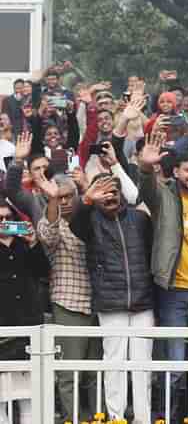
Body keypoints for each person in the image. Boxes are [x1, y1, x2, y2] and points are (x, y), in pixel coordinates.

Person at [138, 135, 188, 421]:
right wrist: (146, 167)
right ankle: (168, 418)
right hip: (173, 291)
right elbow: (146, 187)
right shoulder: (164, 196)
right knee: (174, 361)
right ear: (176, 172)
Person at [69, 174, 154, 424]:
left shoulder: (140, 219)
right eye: (103, 192)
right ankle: (116, 417)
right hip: (110, 301)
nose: (110, 196)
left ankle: (143, 418)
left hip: (142, 302)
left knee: (143, 364)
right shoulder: (89, 220)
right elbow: (74, 223)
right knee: (114, 362)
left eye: (113, 191)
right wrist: (86, 199)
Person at [34, 173, 100, 422]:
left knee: (97, 372)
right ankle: (73, 420)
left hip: (100, 305)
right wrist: (51, 202)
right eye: (58, 197)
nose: (64, 202)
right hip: (68, 304)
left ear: (77, 196)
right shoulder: (48, 223)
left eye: (68, 196)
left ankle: (100, 418)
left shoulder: (92, 219)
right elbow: (49, 236)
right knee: (69, 374)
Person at [0, 195, 49, 424]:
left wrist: (32, 242)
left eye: (8, 218)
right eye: (0, 218)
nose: (4, 222)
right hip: (3, 329)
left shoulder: (23, 243)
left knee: (29, 397)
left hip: (28, 325)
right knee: (1, 399)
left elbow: (43, 271)